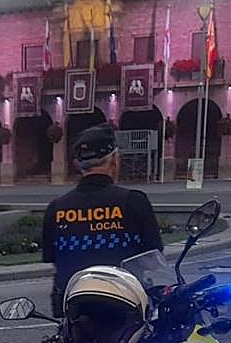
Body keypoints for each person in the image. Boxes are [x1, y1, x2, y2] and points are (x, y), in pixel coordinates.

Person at [42, 124, 163, 316]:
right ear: (114, 160)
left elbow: (52, 257)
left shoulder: (56, 208)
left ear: (77, 165)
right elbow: (153, 256)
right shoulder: (133, 201)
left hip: (74, 314)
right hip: (126, 310)